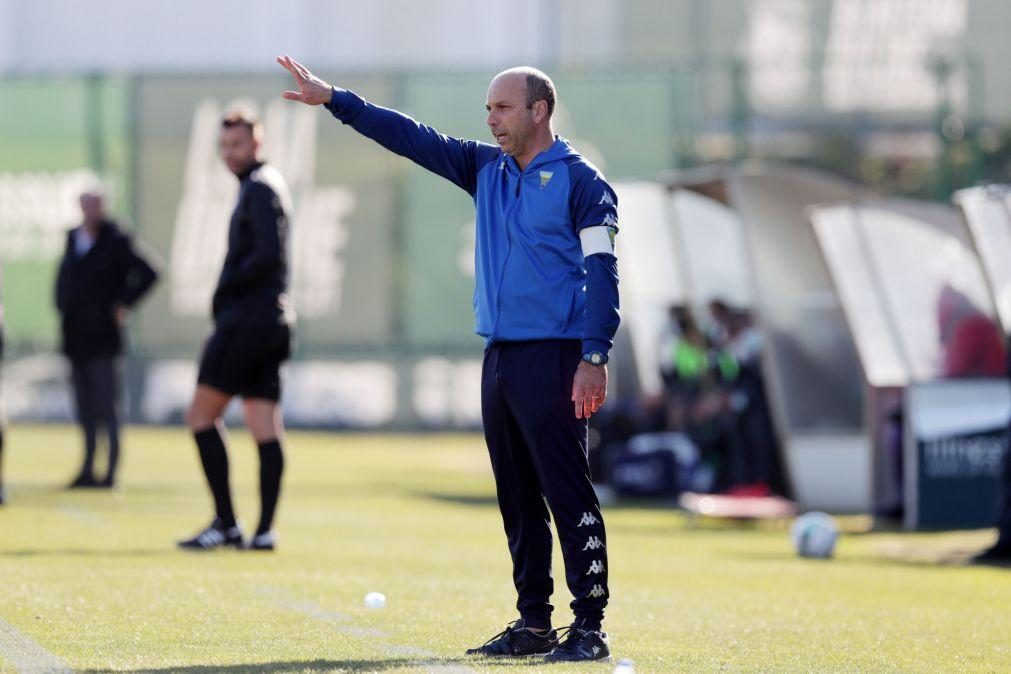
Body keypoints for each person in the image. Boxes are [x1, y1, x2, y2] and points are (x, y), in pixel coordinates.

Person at [278, 56, 619, 662]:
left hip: (559, 355)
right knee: (516, 497)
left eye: (503, 107)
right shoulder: (485, 167)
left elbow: (602, 272)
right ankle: (533, 623)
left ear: (539, 111)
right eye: (488, 108)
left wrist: (594, 355)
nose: (490, 119)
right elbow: (412, 137)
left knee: (567, 490)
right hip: (500, 357)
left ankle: (589, 626)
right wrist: (335, 99)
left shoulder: (582, 182)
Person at [177, 110, 294, 553]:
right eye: (225, 145)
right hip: (274, 321)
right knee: (264, 425)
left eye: (238, 145)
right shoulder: (264, 186)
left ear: (257, 145)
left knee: (201, 417)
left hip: (247, 322)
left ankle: (226, 523)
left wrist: (226, 288)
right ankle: (263, 530)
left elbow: (267, 254)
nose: (231, 153)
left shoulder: (260, 188)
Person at [55, 185, 159, 489]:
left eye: (95, 205)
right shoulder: (74, 237)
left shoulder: (117, 238)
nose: (90, 211)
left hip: (103, 337)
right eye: (86, 205)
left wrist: (124, 302)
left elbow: (151, 271)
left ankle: (110, 472)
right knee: (85, 407)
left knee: (107, 406)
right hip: (75, 336)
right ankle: (88, 467)